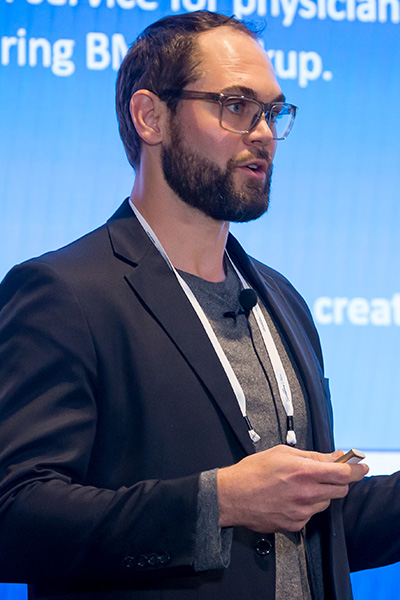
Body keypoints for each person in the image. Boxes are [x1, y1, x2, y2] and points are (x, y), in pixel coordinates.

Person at [0, 10, 399, 600]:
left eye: (271, 112)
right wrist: (221, 501)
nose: (262, 131)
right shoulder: (64, 294)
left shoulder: (282, 300)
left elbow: (315, 533)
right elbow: (15, 517)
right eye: (236, 105)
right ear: (150, 117)